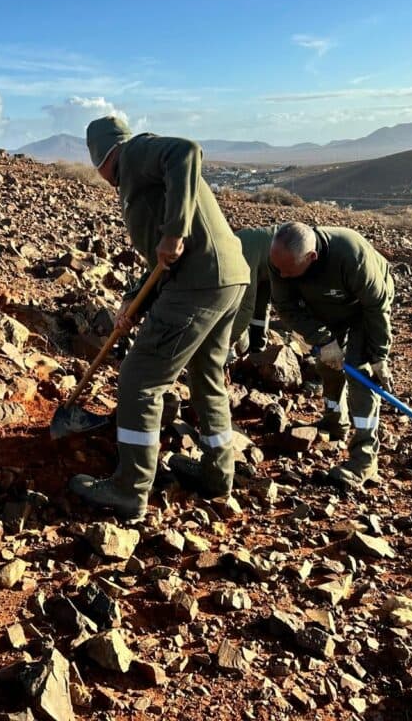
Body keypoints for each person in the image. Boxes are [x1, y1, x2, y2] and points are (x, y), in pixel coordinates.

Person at [69, 116, 249, 520]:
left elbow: (186, 151)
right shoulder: (138, 178)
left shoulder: (134, 153)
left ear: (101, 157)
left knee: (140, 380)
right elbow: (161, 264)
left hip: (198, 285)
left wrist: (174, 231)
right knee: (206, 376)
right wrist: (134, 302)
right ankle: (217, 475)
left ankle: (129, 489)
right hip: (226, 279)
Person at [268, 221, 394, 489]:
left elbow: (376, 307)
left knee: (360, 373)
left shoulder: (351, 255)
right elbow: (285, 306)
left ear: (311, 257)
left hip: (364, 309)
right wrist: (324, 339)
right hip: (325, 306)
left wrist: (379, 356)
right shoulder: (281, 260)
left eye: (288, 270)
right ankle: (335, 422)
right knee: (328, 364)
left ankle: (364, 460)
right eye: (278, 268)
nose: (281, 275)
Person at [229, 225, 277, 358]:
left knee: (254, 304)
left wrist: (229, 341)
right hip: (266, 260)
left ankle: (256, 350)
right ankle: (256, 349)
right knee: (259, 305)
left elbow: (246, 306)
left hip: (282, 255)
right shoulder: (234, 246)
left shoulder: (240, 255)